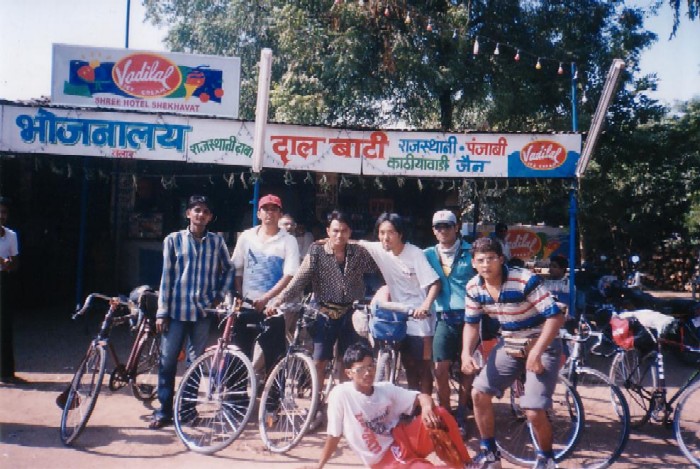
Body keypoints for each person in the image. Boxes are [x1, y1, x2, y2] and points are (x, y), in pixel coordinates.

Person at [461, 237, 564, 469]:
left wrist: (536, 352)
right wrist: (465, 353)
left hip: (542, 343)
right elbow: (471, 323)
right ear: (473, 263)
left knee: (533, 411)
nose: (486, 265)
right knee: (478, 393)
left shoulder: (524, 280)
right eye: (480, 260)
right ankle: (489, 454)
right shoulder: (473, 287)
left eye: (491, 259)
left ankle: (547, 459)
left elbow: (555, 317)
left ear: (501, 259)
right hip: (510, 344)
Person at [307, 341, 471, 469]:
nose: (367, 372)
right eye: (360, 369)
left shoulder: (385, 389)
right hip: (384, 460)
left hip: (403, 440)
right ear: (348, 373)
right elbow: (334, 435)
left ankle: (465, 464)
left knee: (439, 413)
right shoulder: (341, 394)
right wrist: (319, 465)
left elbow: (423, 397)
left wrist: (427, 407)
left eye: (370, 366)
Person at [151, 195, 235, 429]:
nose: (201, 215)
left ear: (210, 217)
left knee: (195, 363)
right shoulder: (173, 240)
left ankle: (187, 410)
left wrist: (219, 294)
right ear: (188, 213)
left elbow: (229, 269)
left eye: (205, 211)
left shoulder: (216, 243)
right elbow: (166, 278)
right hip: (176, 312)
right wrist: (162, 312)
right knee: (167, 362)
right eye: (196, 210)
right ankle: (164, 410)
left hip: (202, 312)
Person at [270, 210, 380, 385]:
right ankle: (317, 402)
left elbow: (378, 263)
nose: (339, 235)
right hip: (323, 311)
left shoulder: (358, 253)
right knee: (319, 360)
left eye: (344, 231)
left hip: (350, 312)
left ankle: (343, 400)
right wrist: (279, 299)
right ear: (328, 231)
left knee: (348, 361)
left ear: (350, 232)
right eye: (335, 231)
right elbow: (300, 279)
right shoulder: (317, 251)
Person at [359, 213, 440, 395]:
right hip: (398, 316)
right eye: (381, 233)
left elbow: (435, 283)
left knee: (423, 367)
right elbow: (353, 243)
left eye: (391, 232)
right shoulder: (380, 249)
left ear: (400, 234)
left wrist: (425, 306)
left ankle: (425, 411)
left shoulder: (415, 254)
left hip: (420, 318)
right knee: (409, 365)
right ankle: (412, 406)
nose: (385, 238)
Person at [230, 194, 300, 377]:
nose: (270, 213)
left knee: (274, 360)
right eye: (265, 209)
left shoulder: (289, 240)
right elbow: (237, 269)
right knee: (238, 356)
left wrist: (267, 299)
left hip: (273, 309)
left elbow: (289, 275)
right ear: (259, 213)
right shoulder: (246, 237)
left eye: (274, 209)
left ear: (280, 214)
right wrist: (239, 295)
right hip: (246, 307)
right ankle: (235, 403)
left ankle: (272, 402)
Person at [423, 210, 475, 432]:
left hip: (470, 317)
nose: (442, 230)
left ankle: (462, 411)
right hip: (444, 317)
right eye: (438, 227)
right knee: (440, 368)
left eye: (447, 226)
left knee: (467, 368)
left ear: (457, 227)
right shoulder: (427, 254)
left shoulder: (471, 251)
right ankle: (446, 412)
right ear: (433, 231)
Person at [0, 197, 20, 383]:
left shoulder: (11, 236)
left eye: (4, 212)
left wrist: (7, 264)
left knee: (4, 326)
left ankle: (6, 371)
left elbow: (15, 263)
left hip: (3, 282)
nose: (1, 216)